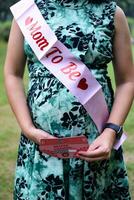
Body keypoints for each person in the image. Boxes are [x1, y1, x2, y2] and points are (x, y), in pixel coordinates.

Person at [4, 0, 134, 199]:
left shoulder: (112, 13)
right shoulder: (28, 11)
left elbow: (127, 81)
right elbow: (12, 74)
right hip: (40, 144)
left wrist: (110, 132)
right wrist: (28, 129)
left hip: (95, 143)